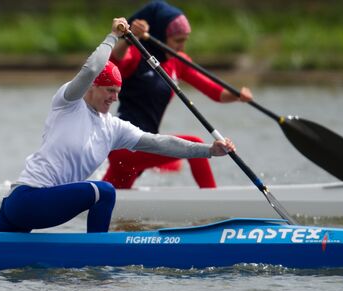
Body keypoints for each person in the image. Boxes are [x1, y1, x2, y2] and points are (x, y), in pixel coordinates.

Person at [0, 17, 235, 234]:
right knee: (104, 191)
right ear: (92, 88)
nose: (115, 97)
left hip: (36, 209)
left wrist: (208, 150)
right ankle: (97, 254)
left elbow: (161, 143)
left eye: (118, 92)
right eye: (109, 90)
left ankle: (95, 250)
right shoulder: (68, 103)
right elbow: (91, 68)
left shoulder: (113, 128)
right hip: (27, 200)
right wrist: (112, 37)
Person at [101, 0, 252, 189]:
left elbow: (217, 93)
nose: (181, 47)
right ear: (160, 36)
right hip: (125, 146)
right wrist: (129, 39)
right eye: (177, 41)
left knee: (106, 199)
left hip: (147, 145)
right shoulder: (136, 55)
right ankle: (213, 203)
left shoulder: (178, 62)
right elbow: (112, 61)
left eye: (185, 40)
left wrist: (238, 95)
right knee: (195, 145)